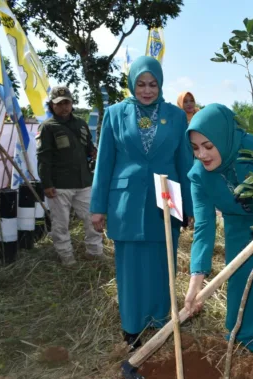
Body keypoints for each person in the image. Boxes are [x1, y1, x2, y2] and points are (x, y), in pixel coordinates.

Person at [90, 56, 194, 350]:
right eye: (141, 84)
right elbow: (105, 162)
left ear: (160, 84)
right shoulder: (115, 114)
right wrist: (98, 207)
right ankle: (132, 327)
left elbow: (183, 162)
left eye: (153, 84)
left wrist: (189, 208)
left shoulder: (175, 116)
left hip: (167, 194)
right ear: (132, 83)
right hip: (126, 199)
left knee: (164, 261)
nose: (147, 90)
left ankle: (161, 321)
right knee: (131, 265)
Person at [184, 104, 253, 367]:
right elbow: (203, 228)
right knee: (238, 285)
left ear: (223, 137)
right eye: (195, 148)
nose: (202, 154)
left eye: (208, 146)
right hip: (236, 226)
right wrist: (194, 284)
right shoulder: (199, 176)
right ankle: (239, 340)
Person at [36, 85, 104, 266]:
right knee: (61, 224)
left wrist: (94, 152)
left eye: (67, 102)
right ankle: (66, 257)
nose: (63, 107)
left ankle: (95, 252)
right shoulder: (47, 127)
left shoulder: (81, 124)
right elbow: (43, 158)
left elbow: (88, 145)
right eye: (59, 104)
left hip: (83, 181)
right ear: (52, 105)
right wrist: (47, 184)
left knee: (93, 218)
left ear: (72, 103)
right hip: (59, 184)